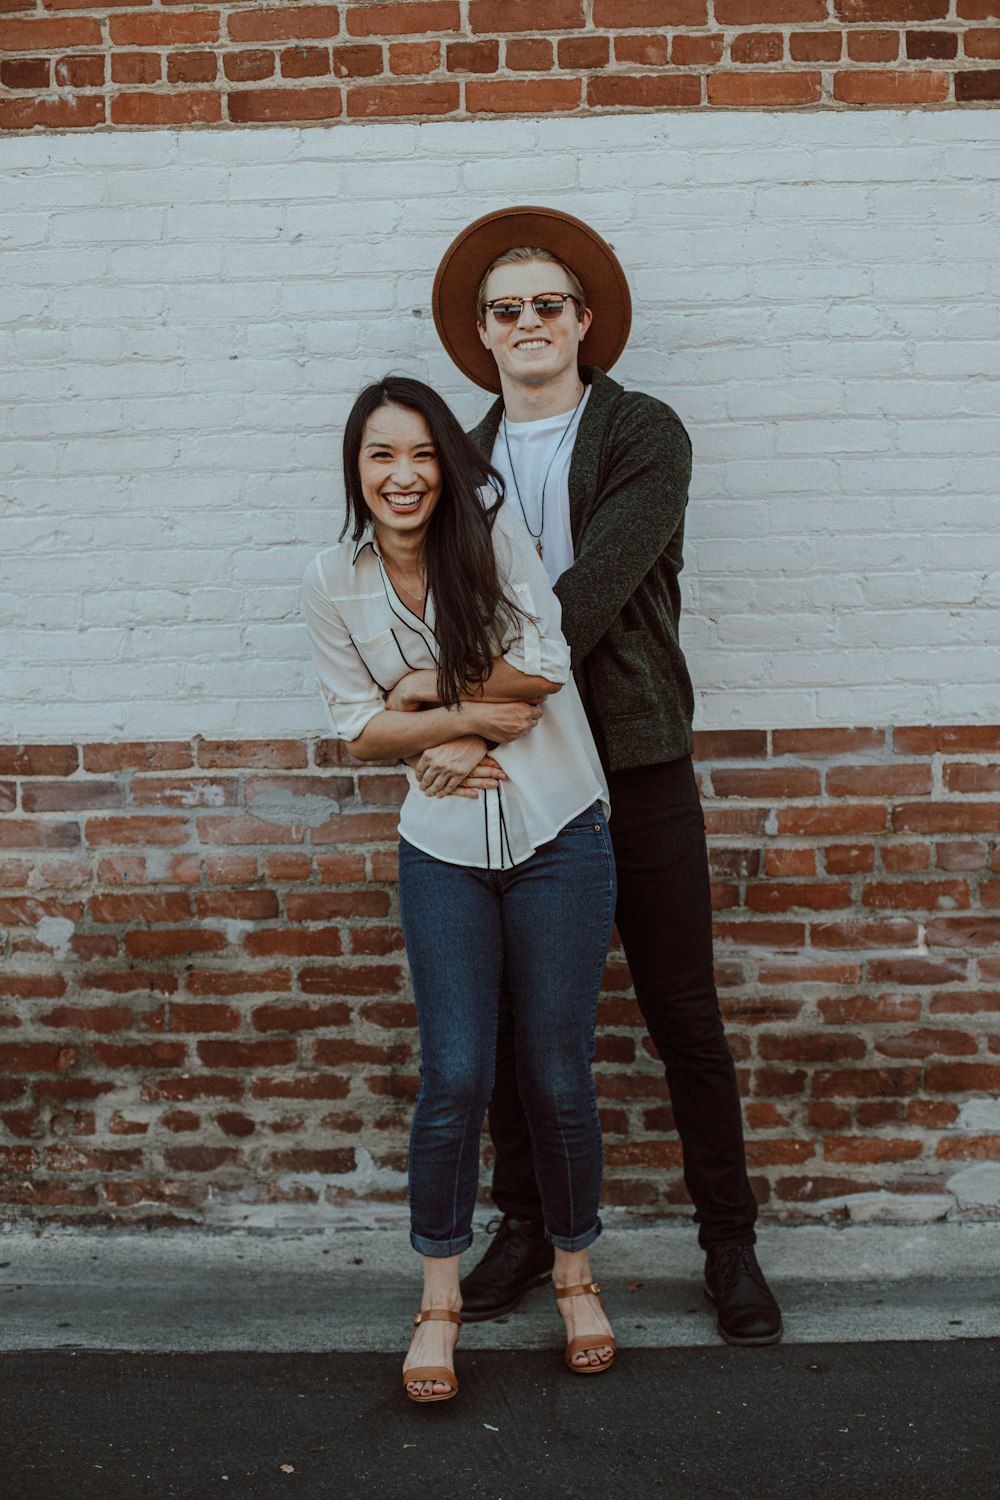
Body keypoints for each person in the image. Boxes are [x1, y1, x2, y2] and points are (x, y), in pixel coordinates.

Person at [423, 206, 783, 1347]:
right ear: (482, 335)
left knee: (683, 1012)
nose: (526, 322)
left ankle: (729, 1245)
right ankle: (526, 1231)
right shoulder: (459, 460)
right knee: (528, 1020)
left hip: (632, 761)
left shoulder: (643, 433)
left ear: (583, 323)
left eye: (546, 305)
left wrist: (469, 714)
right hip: (519, 774)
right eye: (504, 310)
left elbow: (588, 598)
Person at [302, 375, 619, 1403]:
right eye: (380, 456)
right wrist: (449, 731)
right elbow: (355, 729)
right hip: (439, 846)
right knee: (454, 1078)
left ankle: (575, 1277)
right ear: (356, 470)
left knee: (557, 1074)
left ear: (448, 462)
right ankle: (437, 1304)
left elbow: (543, 667)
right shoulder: (331, 579)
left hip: (558, 828)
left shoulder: (489, 535)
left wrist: (430, 698)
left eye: (422, 454)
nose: (404, 476)